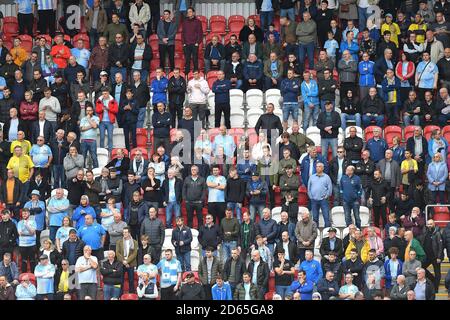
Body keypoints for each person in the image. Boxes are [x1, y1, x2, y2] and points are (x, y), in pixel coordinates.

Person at [182, 7, 203, 74]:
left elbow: (200, 33)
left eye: (190, 11)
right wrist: (183, 42)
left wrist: (197, 42)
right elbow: (183, 33)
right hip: (186, 43)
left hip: (194, 43)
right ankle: (187, 72)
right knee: (187, 59)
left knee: (195, 59)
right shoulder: (185, 22)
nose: (189, 13)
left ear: (193, 13)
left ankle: (196, 71)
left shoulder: (198, 22)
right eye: (188, 12)